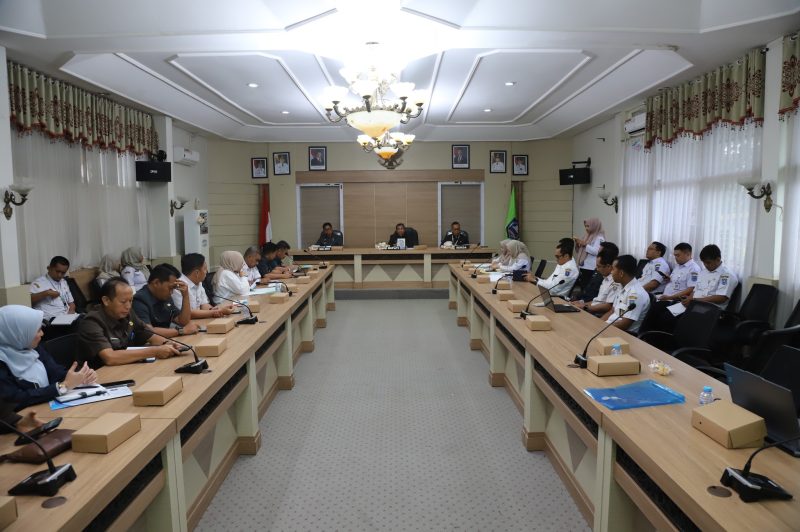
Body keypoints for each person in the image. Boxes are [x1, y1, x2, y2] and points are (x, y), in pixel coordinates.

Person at [0, 305, 96, 410]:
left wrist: (80, 376)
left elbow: (56, 372)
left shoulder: (34, 349)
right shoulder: (2, 362)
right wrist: (63, 387)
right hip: (27, 416)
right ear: (18, 334)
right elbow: (16, 400)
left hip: (48, 408)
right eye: (37, 330)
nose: (42, 333)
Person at [77, 278, 183, 368]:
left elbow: (149, 334)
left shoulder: (127, 313)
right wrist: (155, 351)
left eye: (130, 301)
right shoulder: (91, 322)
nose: (128, 306)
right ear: (106, 301)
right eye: (123, 302)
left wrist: (168, 344)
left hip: (124, 367)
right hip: (97, 376)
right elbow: (110, 357)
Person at [133, 264, 198, 338]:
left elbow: (183, 321)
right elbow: (148, 331)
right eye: (170, 288)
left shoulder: (164, 296)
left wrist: (185, 295)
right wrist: (182, 331)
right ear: (156, 283)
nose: (171, 292)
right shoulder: (139, 300)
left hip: (166, 340)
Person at [173, 253, 234, 319]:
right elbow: (188, 313)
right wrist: (217, 311)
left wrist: (214, 310)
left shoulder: (198, 282)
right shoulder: (178, 286)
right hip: (186, 323)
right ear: (197, 273)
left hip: (199, 320)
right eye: (205, 269)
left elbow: (204, 304)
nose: (206, 272)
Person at [601, 255, 651, 334]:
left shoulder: (636, 294)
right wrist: (599, 323)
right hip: (608, 327)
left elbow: (624, 325)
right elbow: (612, 311)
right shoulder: (622, 286)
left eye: (613, 269)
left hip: (622, 334)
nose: (611, 272)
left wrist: (601, 327)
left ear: (621, 273)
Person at [680, 244, 738, 310]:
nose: (705, 265)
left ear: (718, 259)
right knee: (671, 312)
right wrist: (689, 299)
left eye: (708, 262)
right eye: (703, 262)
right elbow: (695, 290)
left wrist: (695, 301)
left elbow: (721, 298)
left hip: (711, 309)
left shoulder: (726, 275)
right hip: (695, 305)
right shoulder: (703, 272)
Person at [571, 249, 620, 316]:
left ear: (608, 267)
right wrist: (581, 304)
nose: (597, 269)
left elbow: (608, 306)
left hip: (598, 315)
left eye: (598, 266)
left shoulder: (615, 281)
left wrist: (585, 307)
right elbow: (597, 301)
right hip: (592, 310)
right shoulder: (605, 278)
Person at [29, 256, 75, 321]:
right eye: (57, 271)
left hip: (66, 317)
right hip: (51, 320)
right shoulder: (39, 283)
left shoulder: (63, 282)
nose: (59, 275)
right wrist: (46, 293)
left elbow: (71, 303)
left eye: (63, 273)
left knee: (84, 320)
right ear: (49, 268)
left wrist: (71, 313)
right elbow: (28, 300)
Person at [574, 218, 605, 287]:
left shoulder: (599, 238)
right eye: (585, 226)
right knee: (583, 286)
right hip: (583, 266)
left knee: (587, 286)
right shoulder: (586, 236)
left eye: (588, 226)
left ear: (594, 226)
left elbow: (597, 252)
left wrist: (584, 244)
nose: (586, 228)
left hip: (591, 267)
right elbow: (580, 251)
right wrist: (578, 244)